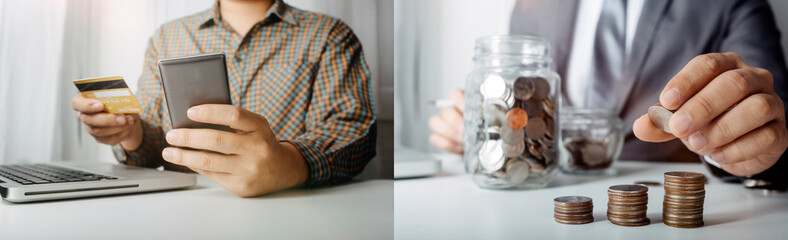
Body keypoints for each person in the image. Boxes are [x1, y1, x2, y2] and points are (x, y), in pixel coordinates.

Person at [429, 0, 788, 183]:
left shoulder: (730, 4)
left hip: (658, 201)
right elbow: (520, 102)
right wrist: (487, 132)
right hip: (543, 193)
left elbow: (775, 113)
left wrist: (747, 147)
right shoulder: (534, 5)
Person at [70, 0, 376, 197]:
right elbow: (152, 143)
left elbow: (353, 130)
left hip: (288, 207)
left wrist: (288, 163)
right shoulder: (167, 36)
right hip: (184, 209)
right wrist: (129, 133)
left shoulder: (329, 34)